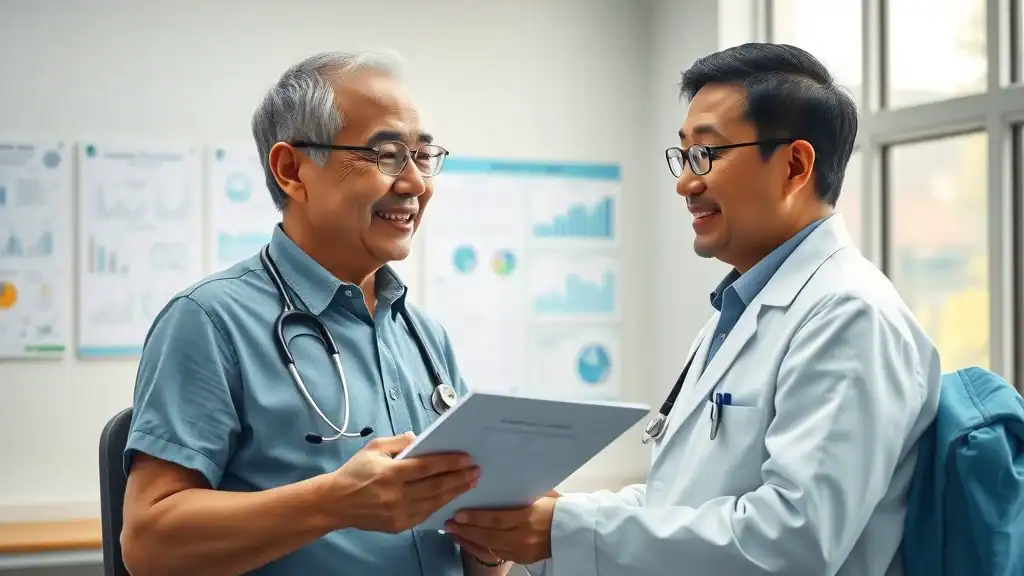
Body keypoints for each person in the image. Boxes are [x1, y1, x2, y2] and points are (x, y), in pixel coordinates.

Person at [444, 43, 943, 576]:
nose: (686, 182)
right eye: (683, 155)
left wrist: (565, 532)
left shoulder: (850, 316)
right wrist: (547, 524)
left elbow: (793, 541)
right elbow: (676, 503)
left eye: (707, 154)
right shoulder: (738, 312)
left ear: (795, 165)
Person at [119, 51, 512, 576]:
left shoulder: (423, 335)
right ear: (291, 171)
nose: (417, 184)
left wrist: (490, 545)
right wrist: (333, 503)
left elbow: (474, 556)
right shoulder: (209, 322)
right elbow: (149, 544)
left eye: (423, 155)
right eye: (388, 154)